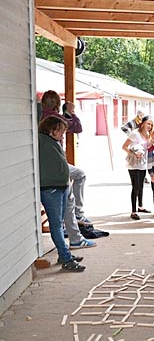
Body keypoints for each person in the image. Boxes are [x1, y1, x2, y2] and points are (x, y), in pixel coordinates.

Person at [38, 116, 85, 272]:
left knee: (60, 223)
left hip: (61, 186)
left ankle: (63, 253)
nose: (63, 134)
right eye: (61, 131)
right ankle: (66, 258)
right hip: (51, 188)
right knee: (56, 225)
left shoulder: (53, 142)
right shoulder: (41, 141)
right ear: (51, 130)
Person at [122, 116, 154, 220]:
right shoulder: (135, 133)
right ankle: (133, 211)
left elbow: (146, 148)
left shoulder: (149, 135)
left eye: (151, 124)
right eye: (148, 123)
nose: (149, 126)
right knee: (135, 186)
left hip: (143, 163)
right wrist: (133, 153)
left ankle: (140, 206)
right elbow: (124, 146)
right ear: (143, 123)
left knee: (141, 185)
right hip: (134, 164)